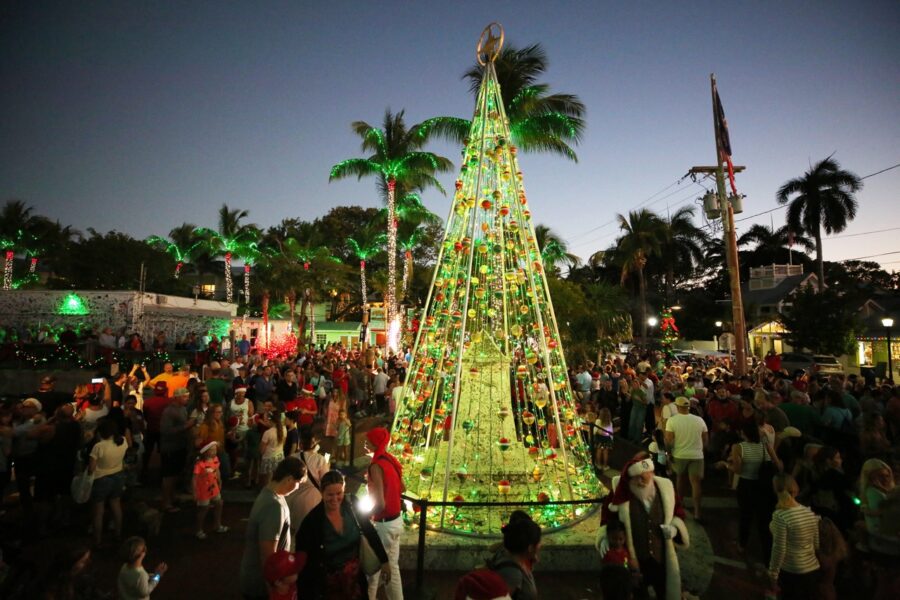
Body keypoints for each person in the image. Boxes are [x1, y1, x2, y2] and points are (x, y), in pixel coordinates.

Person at [598, 455, 689, 600]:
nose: (640, 482)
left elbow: (678, 513)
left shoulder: (666, 490)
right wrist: (604, 537)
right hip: (636, 560)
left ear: (651, 474)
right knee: (638, 593)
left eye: (644, 478)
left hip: (661, 557)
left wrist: (675, 528)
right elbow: (607, 518)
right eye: (636, 478)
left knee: (664, 591)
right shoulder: (619, 491)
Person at [296, 470, 388, 599]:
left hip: (355, 582)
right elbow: (303, 555)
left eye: (339, 493)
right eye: (330, 495)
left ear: (344, 490)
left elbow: (369, 530)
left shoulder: (352, 504)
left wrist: (385, 561)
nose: (335, 499)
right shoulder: (313, 521)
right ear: (321, 493)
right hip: (328, 586)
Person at [240, 457, 304, 600]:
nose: (298, 487)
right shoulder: (273, 506)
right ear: (289, 479)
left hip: (258, 579)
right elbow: (267, 555)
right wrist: (273, 589)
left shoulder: (270, 494)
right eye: (298, 482)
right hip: (261, 586)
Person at [718, 420, 782, 562]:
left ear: (743, 433)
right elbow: (778, 464)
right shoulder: (765, 446)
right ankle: (767, 554)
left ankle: (742, 545)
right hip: (763, 486)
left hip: (746, 485)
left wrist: (725, 464)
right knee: (763, 520)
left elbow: (738, 470)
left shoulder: (738, 447)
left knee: (745, 516)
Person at [364, 427, 405, 600]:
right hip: (396, 521)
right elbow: (403, 488)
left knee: (372, 571)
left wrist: (366, 516)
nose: (365, 443)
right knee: (392, 568)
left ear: (376, 443)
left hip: (384, 525)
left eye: (368, 441)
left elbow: (380, 503)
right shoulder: (390, 460)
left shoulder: (376, 465)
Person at [768, 473, 820, 599]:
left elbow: (779, 549)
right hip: (812, 568)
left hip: (792, 570)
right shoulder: (809, 512)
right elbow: (816, 544)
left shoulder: (780, 516)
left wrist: (773, 573)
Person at [664, 396, 708, 520]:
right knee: (696, 484)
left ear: (677, 407)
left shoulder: (672, 421)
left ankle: (679, 504)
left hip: (679, 454)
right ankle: (697, 513)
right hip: (697, 455)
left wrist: (668, 454)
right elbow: (706, 440)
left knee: (680, 478)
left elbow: (668, 440)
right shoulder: (699, 420)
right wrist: (701, 451)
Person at [89, 418, 129, 547]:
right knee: (116, 505)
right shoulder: (122, 441)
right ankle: (118, 533)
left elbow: (91, 468)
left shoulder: (98, 446)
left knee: (98, 511)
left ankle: (97, 540)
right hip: (118, 475)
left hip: (101, 478)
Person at [485, 510, 541, 600]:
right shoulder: (512, 572)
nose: (540, 545)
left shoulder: (517, 558)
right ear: (530, 547)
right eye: (538, 543)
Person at [159, 387, 194, 512]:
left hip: (179, 446)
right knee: (169, 476)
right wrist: (186, 426)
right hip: (170, 448)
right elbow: (165, 431)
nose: (187, 399)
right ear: (177, 398)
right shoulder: (169, 412)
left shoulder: (183, 409)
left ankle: (172, 498)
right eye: (184, 396)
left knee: (175, 475)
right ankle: (166, 502)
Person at [193, 441, 228, 539]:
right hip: (203, 489)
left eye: (215, 450)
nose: (214, 452)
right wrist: (195, 491)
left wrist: (219, 481)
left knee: (219, 503)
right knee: (204, 508)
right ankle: (199, 529)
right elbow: (194, 478)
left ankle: (217, 525)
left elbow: (217, 470)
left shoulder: (215, 459)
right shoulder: (200, 464)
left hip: (214, 486)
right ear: (205, 452)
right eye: (212, 450)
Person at [259, 412, 286, 487]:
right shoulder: (283, 430)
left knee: (267, 481)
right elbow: (283, 443)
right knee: (277, 479)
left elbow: (262, 448)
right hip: (280, 456)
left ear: (271, 421)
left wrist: (261, 454)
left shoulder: (268, 433)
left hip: (268, 458)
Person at [594, 407, 615, 471]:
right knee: (605, 453)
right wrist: (611, 439)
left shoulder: (598, 421)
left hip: (599, 439)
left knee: (599, 451)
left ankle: (598, 464)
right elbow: (611, 432)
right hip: (607, 439)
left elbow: (595, 430)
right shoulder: (610, 423)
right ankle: (605, 466)